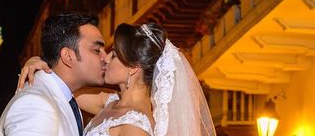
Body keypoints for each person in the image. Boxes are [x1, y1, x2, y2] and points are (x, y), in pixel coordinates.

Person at [19, 22, 216, 136]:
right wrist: (37, 62)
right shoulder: (109, 101)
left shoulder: (136, 126)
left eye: (113, 55)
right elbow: (60, 87)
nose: (105, 58)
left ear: (133, 68)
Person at [0, 12, 107, 136]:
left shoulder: (64, 96)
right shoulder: (36, 103)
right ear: (67, 56)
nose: (106, 58)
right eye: (97, 50)